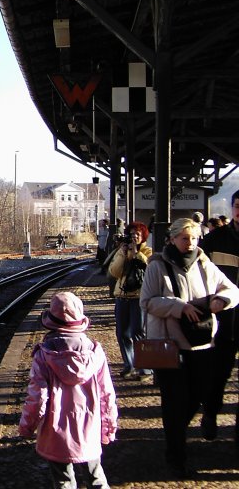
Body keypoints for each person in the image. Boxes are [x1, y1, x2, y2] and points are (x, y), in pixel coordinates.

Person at [140, 217, 239, 478]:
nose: (190, 243)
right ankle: (176, 455)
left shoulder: (205, 264)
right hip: (169, 345)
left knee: (198, 394)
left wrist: (222, 299)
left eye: (194, 238)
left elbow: (233, 290)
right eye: (185, 238)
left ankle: (176, 433)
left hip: (202, 344)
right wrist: (179, 307)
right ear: (172, 239)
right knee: (174, 401)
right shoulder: (157, 266)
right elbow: (147, 301)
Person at [18, 291, 118, 488]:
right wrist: (108, 428)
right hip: (89, 428)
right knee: (96, 475)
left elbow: (37, 398)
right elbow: (107, 394)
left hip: (55, 433)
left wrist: (27, 427)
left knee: (63, 481)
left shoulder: (44, 355)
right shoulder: (95, 353)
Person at [200, 190, 239, 441]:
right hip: (223, 320)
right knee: (218, 374)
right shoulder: (215, 240)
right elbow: (199, 272)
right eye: (237, 205)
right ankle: (210, 415)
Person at [108, 221, 152, 379]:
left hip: (139, 297)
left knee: (138, 332)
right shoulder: (122, 250)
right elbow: (114, 271)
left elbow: (148, 268)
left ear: (143, 236)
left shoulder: (148, 251)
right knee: (122, 333)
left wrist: (136, 254)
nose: (134, 237)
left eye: (137, 234)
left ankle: (145, 368)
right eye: (132, 234)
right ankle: (129, 364)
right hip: (122, 296)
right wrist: (123, 253)